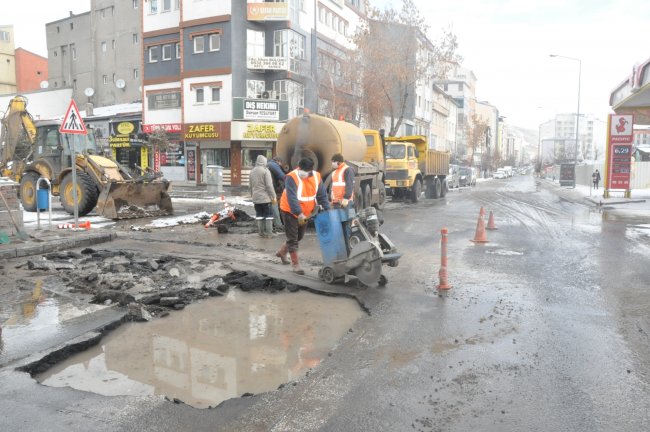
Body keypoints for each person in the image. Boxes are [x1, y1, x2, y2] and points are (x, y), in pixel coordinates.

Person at [276, 157, 330, 274]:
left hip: (306, 212)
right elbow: (292, 198)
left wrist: (327, 208)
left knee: (299, 236)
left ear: (310, 170)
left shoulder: (316, 177)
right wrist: (298, 213)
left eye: (304, 170)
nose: (301, 172)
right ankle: (296, 265)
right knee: (293, 238)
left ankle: (282, 251)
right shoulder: (291, 177)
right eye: (300, 169)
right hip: (289, 211)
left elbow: (322, 195)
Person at [249, 155, 277, 238]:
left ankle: (261, 233)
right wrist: (273, 196)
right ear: (264, 162)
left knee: (259, 216)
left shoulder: (252, 171)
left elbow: (250, 186)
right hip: (265, 199)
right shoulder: (265, 171)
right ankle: (269, 233)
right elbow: (269, 185)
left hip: (256, 198)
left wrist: (252, 196)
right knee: (269, 216)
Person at [267, 155, 287, 229]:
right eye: (281, 163)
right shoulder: (273, 165)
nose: (281, 165)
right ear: (278, 161)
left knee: (269, 207)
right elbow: (282, 176)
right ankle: (278, 224)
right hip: (271, 189)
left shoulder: (269, 164)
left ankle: (270, 224)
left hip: (266, 189)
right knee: (274, 206)